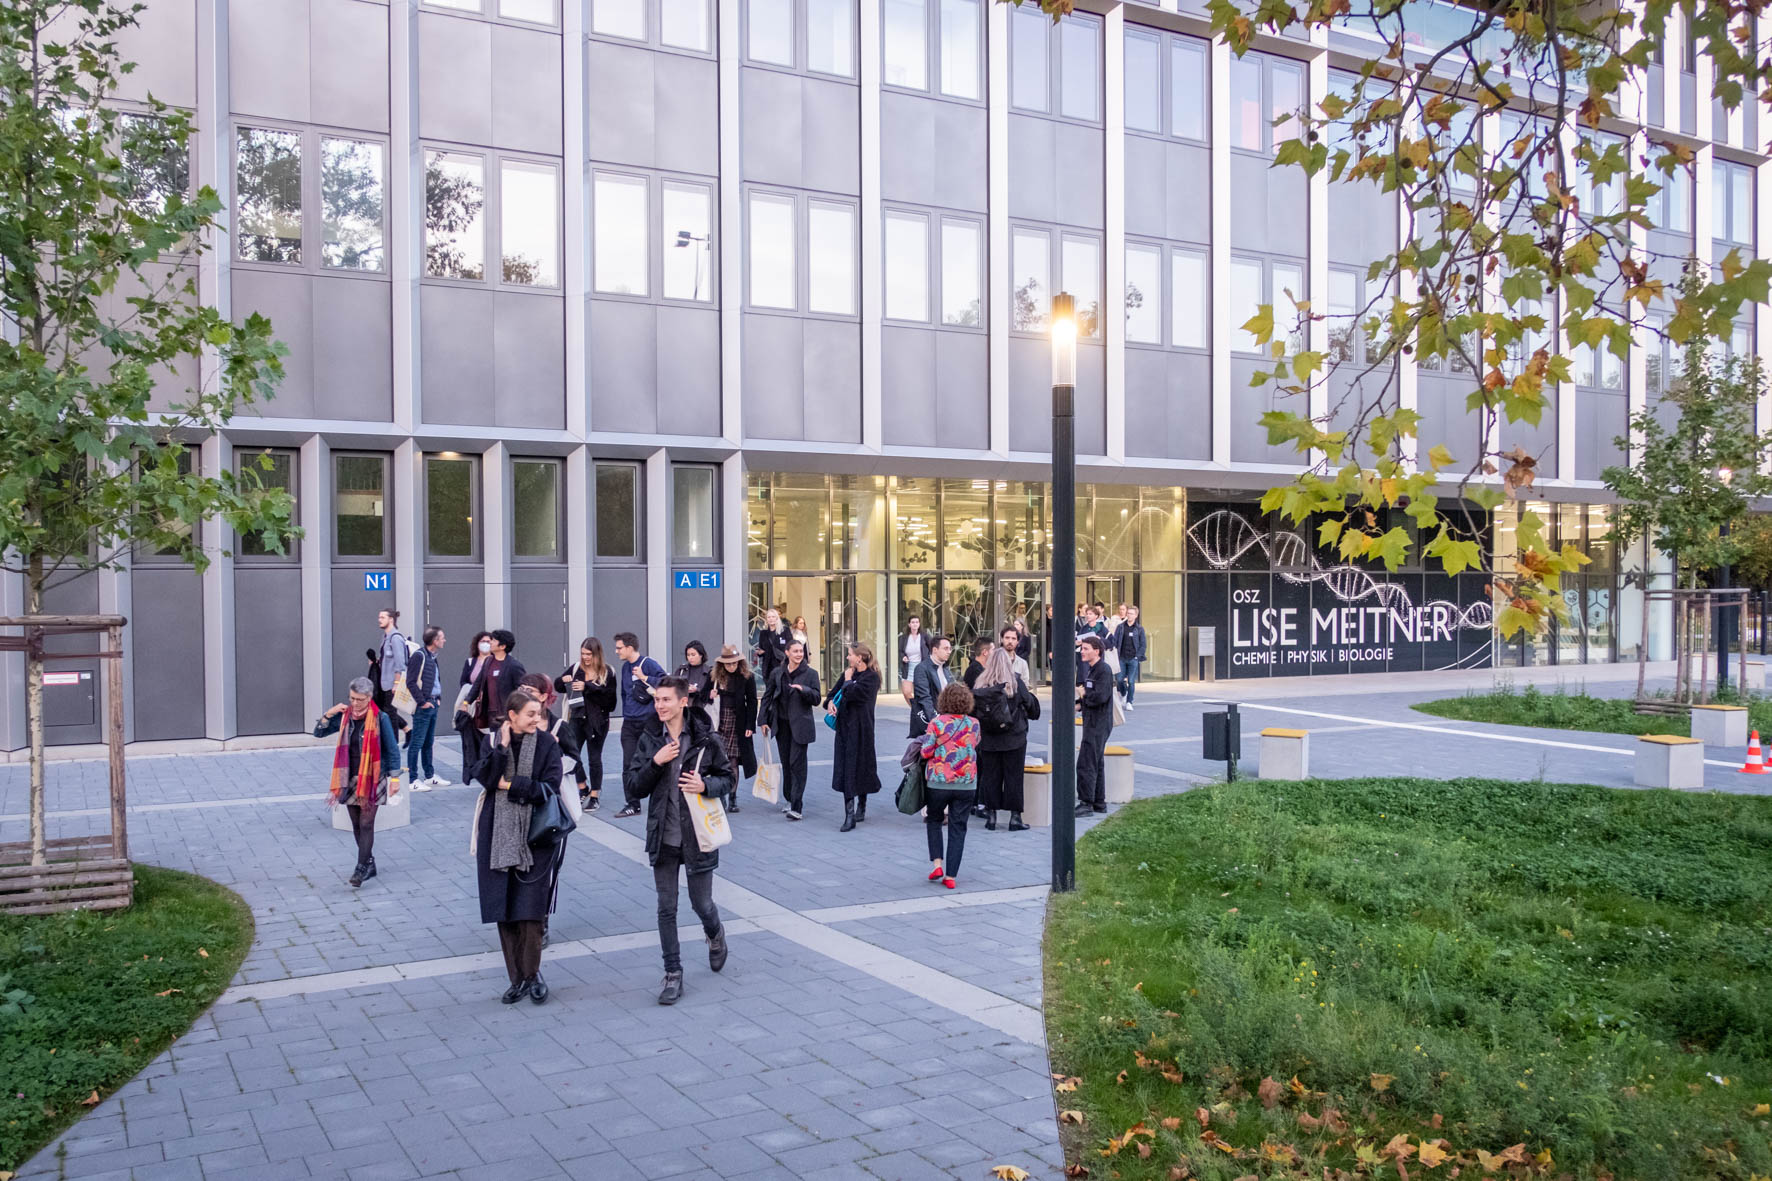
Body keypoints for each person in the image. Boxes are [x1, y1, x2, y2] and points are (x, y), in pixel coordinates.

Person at [626, 676, 733, 1006]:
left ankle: (715, 933)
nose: (659, 705)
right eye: (657, 700)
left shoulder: (704, 738)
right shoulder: (650, 738)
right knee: (666, 907)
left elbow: (728, 778)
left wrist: (705, 786)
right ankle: (673, 973)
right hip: (663, 835)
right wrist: (655, 762)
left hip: (697, 836)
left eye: (666, 700)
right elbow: (634, 786)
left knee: (701, 904)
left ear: (683, 702)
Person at [470, 688, 566, 1005]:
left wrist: (510, 785)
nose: (537, 719)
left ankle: (532, 974)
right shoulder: (492, 740)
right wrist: (501, 749)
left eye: (539, 713)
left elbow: (550, 787)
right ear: (512, 715)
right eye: (530, 714)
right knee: (505, 910)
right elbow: (484, 777)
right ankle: (518, 979)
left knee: (530, 912)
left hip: (536, 836)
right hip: (497, 835)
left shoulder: (547, 744)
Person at [314, 677, 402, 888]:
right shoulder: (345, 717)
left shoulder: (380, 718)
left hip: (373, 777)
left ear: (369, 697)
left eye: (360, 699)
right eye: (352, 698)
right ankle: (369, 863)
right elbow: (319, 732)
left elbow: (392, 749)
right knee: (355, 824)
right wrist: (329, 713)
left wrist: (395, 778)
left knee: (366, 823)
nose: (355, 703)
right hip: (349, 776)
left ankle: (361, 868)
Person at [970, 647, 1040, 832]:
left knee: (990, 776)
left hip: (989, 739)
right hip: (1014, 737)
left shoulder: (980, 684)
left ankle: (991, 816)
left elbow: (973, 711)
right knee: (1014, 777)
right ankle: (1015, 818)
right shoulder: (1015, 682)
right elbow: (1030, 705)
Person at [919, 682, 980, 890]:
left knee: (934, 820)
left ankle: (937, 864)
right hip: (966, 784)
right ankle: (951, 875)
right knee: (958, 828)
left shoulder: (936, 723)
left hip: (938, 782)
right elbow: (975, 743)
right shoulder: (974, 724)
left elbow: (926, 751)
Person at [759, 639, 819, 820]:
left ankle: (797, 807)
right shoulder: (777, 673)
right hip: (782, 725)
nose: (799, 654)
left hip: (801, 726)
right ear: (787, 653)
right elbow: (767, 697)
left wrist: (804, 690)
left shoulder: (811, 674)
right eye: (795, 651)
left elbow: (816, 698)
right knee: (786, 762)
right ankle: (789, 798)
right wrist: (763, 720)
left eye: (801, 651)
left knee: (797, 764)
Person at [556, 638, 618, 811]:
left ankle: (595, 795)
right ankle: (583, 787)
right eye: (583, 654)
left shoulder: (608, 672)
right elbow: (558, 686)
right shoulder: (577, 668)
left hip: (598, 721)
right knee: (571, 754)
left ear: (597, 654)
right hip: (577, 718)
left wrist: (588, 687)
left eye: (589, 654)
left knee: (594, 758)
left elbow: (610, 702)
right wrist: (563, 680)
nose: (585, 657)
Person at [825, 642, 881, 832]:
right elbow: (833, 693)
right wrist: (830, 703)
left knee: (862, 767)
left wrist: (848, 680)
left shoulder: (872, 677)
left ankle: (861, 806)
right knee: (847, 769)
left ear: (860, 657)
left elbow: (855, 695)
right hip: (845, 729)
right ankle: (849, 814)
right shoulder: (847, 674)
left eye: (850, 654)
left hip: (863, 729)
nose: (847, 657)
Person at [613, 632, 666, 818]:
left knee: (653, 761)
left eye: (619, 648)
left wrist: (645, 677)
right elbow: (624, 692)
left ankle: (660, 800)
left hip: (648, 722)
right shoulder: (625, 668)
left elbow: (665, 682)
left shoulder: (648, 663)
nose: (617, 651)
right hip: (629, 722)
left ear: (629, 647)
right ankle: (632, 804)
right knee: (628, 763)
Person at [709, 645, 758, 813]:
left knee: (733, 761)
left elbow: (752, 701)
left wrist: (750, 725)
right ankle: (721, 794)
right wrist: (710, 695)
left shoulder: (747, 677)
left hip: (738, 722)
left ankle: (732, 796)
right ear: (722, 664)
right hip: (718, 721)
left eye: (734, 663)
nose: (731, 666)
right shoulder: (715, 677)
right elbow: (703, 696)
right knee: (718, 760)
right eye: (728, 663)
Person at [1076, 635, 1115, 816]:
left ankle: (1086, 803)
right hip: (1093, 722)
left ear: (1096, 651)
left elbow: (1100, 696)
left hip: (1098, 724)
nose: (1082, 652)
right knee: (1096, 762)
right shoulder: (1092, 670)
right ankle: (1099, 802)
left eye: (1086, 649)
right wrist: (1079, 703)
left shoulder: (1103, 670)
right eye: (1081, 648)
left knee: (1086, 763)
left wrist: (1084, 695)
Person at [405, 626, 447, 790]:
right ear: (435, 641)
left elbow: (435, 680)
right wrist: (422, 702)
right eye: (442, 638)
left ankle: (429, 776)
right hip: (424, 706)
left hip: (433, 703)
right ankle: (412, 779)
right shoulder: (419, 656)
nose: (444, 640)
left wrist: (438, 699)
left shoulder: (432, 657)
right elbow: (410, 682)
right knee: (417, 742)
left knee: (428, 742)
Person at [455, 631, 494, 784]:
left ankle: (486, 768)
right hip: (472, 707)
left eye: (488, 641)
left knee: (487, 738)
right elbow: (463, 682)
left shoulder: (494, 662)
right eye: (483, 641)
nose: (486, 644)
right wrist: (470, 696)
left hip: (488, 707)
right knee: (471, 739)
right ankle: (474, 768)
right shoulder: (471, 662)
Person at [910, 635, 953, 738]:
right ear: (935, 650)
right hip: (932, 722)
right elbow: (924, 698)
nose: (949, 652)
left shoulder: (945, 668)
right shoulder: (922, 668)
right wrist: (935, 721)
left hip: (947, 720)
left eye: (950, 649)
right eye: (945, 648)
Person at [374, 607, 409, 721]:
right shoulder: (385, 637)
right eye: (379, 617)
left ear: (391, 619)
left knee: (391, 715)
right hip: (384, 684)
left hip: (392, 685)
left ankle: (398, 732)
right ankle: (403, 729)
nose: (379, 620)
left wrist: (397, 684)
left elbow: (400, 664)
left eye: (382, 617)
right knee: (387, 713)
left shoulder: (395, 638)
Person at [1116, 604, 1147, 711]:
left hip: (1133, 658)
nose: (1129, 615)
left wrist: (1137, 657)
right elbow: (1115, 641)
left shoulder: (1139, 629)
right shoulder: (1120, 627)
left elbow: (1143, 644)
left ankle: (1129, 702)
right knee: (1119, 679)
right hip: (1121, 658)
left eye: (1131, 614)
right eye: (1128, 613)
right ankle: (1124, 693)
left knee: (1131, 681)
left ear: (1136, 615)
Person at [753, 608, 793, 687]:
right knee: (770, 689)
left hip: (782, 664)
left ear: (777, 618)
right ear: (766, 619)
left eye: (773, 617)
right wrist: (759, 652)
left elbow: (791, 646)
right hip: (768, 667)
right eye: (769, 617)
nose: (771, 619)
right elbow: (761, 649)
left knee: (782, 688)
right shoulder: (763, 633)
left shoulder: (785, 631)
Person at [676, 641, 714, 721]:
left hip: (701, 711)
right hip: (682, 709)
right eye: (688, 655)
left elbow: (711, 696)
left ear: (701, 655)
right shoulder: (682, 670)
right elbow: (673, 687)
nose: (690, 658)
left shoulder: (709, 672)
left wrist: (697, 690)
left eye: (693, 655)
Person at [899, 616, 932, 690]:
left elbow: (931, 648)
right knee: (907, 691)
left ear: (919, 624)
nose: (915, 624)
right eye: (913, 622)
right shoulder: (904, 637)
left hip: (921, 666)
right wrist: (903, 657)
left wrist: (928, 659)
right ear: (909, 624)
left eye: (917, 622)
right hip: (908, 667)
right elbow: (900, 651)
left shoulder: (924, 636)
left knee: (920, 690)